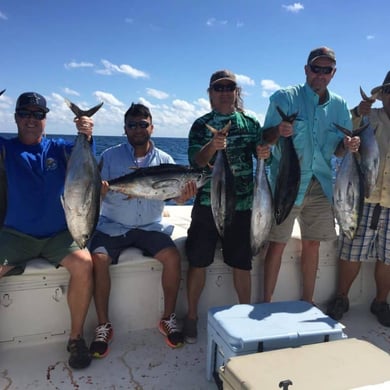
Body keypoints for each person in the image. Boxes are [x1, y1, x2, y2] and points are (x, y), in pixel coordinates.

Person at [88, 103, 197, 357]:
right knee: (99, 259)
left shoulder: (166, 160)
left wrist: (182, 198)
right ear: (125, 129)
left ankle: (167, 318)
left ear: (152, 127)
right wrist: (100, 191)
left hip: (150, 226)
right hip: (114, 225)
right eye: (132, 125)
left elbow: (171, 197)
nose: (138, 129)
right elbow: (94, 193)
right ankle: (103, 325)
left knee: (172, 257)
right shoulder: (110, 156)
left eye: (143, 124)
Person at [0, 92, 94, 369]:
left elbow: (85, 159)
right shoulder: (5, 149)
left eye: (38, 115)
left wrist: (86, 134)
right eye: (26, 114)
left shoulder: (61, 148)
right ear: (16, 117)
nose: (32, 120)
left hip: (59, 235)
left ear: (45, 119)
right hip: (14, 235)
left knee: (84, 264)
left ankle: (76, 339)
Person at [261, 47, 358, 304]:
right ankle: (266, 302)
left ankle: (308, 302)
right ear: (306, 70)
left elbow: (338, 151)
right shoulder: (285, 97)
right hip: (287, 183)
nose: (321, 75)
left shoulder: (340, 106)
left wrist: (348, 146)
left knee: (312, 244)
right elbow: (264, 139)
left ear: (333, 73)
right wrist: (278, 131)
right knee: (277, 244)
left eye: (327, 70)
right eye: (317, 69)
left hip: (322, 184)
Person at [183, 69, 271, 344]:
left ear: (236, 92)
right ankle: (192, 317)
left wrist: (265, 151)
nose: (223, 92)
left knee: (241, 264)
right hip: (208, 202)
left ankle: (244, 316)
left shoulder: (250, 123)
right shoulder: (201, 125)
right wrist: (214, 145)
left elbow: (263, 149)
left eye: (228, 87)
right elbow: (196, 162)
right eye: (218, 88)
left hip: (243, 206)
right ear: (210, 93)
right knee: (198, 262)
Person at [326, 72, 390, 327]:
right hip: (365, 197)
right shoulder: (369, 118)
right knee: (352, 251)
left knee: (389, 257)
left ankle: (381, 301)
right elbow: (347, 131)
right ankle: (342, 298)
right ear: (383, 94)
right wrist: (359, 109)